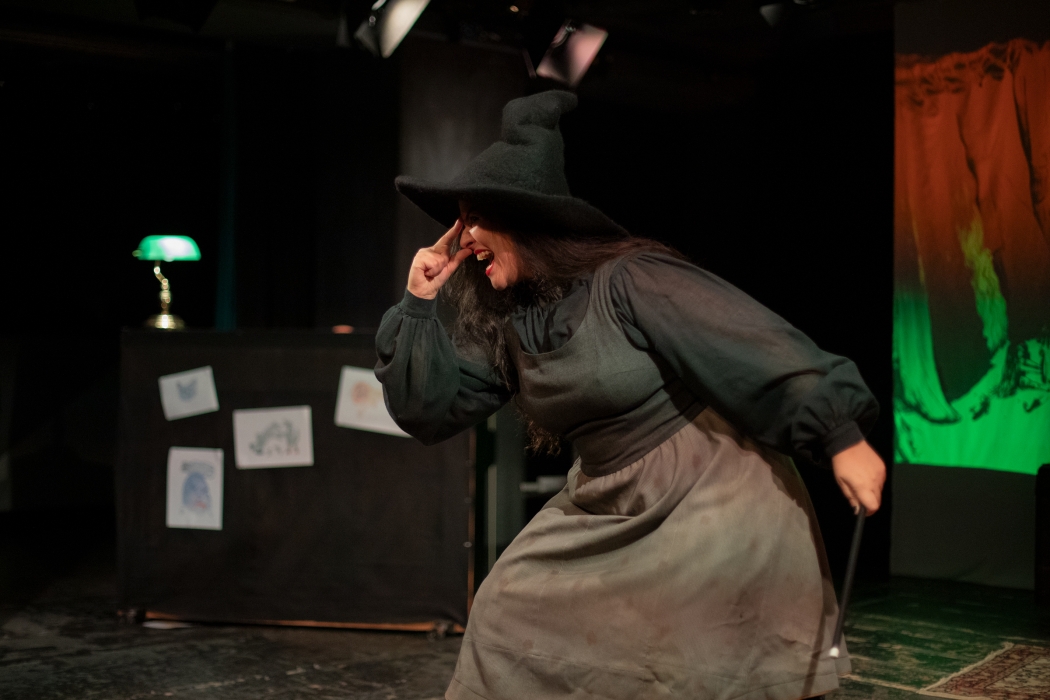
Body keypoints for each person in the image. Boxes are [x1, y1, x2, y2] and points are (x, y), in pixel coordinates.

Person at [376, 90, 885, 700]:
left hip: (710, 496)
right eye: (461, 222)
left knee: (697, 665)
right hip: (604, 497)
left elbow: (748, 341)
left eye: (478, 220)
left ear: (530, 222)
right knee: (509, 612)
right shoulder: (511, 324)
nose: (466, 238)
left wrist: (840, 434)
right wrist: (419, 301)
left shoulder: (631, 279)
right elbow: (428, 410)